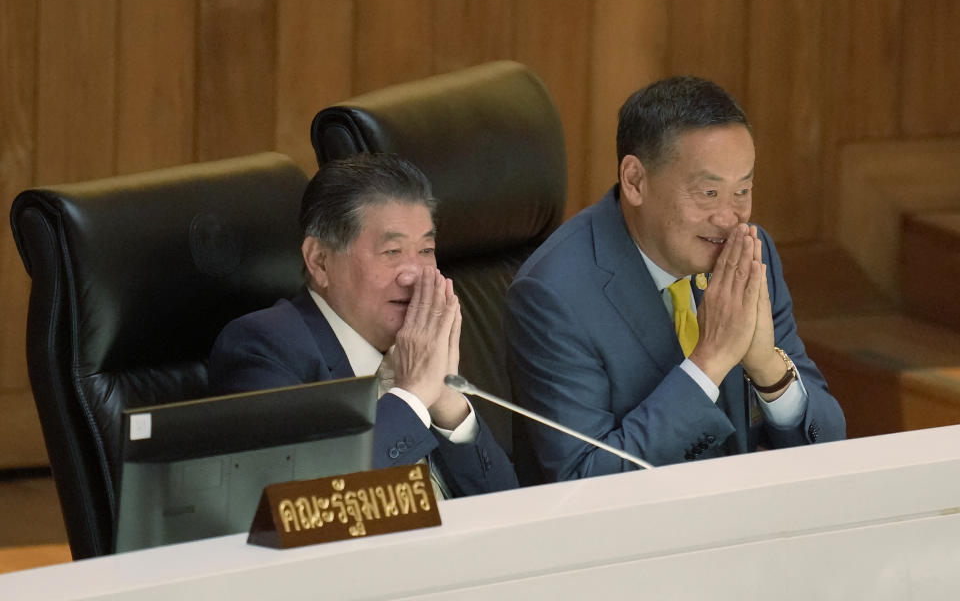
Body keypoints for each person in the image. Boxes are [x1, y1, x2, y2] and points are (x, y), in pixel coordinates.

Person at [505, 76, 845, 481]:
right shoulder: (553, 295)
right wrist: (710, 362)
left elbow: (827, 446)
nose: (728, 218)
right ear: (635, 181)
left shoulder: (748, 256)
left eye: (743, 191)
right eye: (707, 193)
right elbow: (585, 480)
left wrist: (768, 368)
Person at [209, 153, 517, 497]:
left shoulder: (423, 348)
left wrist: (446, 402)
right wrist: (412, 396)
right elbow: (304, 502)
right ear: (320, 261)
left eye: (426, 249)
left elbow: (508, 506)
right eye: (392, 252)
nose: (414, 274)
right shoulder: (264, 348)